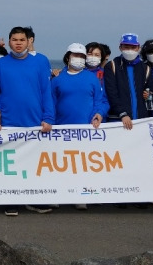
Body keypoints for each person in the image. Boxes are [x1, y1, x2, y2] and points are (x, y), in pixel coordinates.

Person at [0, 26, 54, 216]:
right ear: (9, 42)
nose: (18, 43)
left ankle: (34, 200)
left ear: (28, 41)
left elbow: (46, 92)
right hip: (8, 122)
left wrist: (48, 117)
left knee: (34, 163)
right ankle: (11, 201)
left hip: (34, 122)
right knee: (11, 165)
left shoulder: (40, 62)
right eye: (14, 39)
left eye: (22, 40)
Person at [52, 43, 107, 210]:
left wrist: (99, 114)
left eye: (82, 56)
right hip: (61, 130)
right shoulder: (57, 80)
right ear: (68, 57)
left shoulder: (92, 79)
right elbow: (51, 105)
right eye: (76, 55)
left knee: (82, 164)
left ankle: (80, 195)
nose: (79, 59)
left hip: (86, 130)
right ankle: (57, 194)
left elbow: (101, 101)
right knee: (60, 164)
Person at [104, 33, 153, 129]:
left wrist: (149, 96)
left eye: (133, 47)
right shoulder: (112, 66)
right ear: (120, 48)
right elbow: (111, 93)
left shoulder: (146, 68)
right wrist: (122, 113)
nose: (130, 50)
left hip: (141, 119)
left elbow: (152, 91)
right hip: (118, 120)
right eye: (126, 47)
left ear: (138, 48)